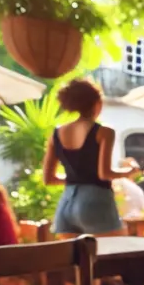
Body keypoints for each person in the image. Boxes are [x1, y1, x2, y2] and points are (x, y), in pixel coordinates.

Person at [43, 79, 138, 237]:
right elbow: (104, 173)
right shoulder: (104, 132)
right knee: (115, 254)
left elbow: (49, 178)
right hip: (95, 201)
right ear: (97, 103)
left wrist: (77, 179)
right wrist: (129, 171)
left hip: (66, 203)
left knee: (75, 260)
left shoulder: (56, 134)